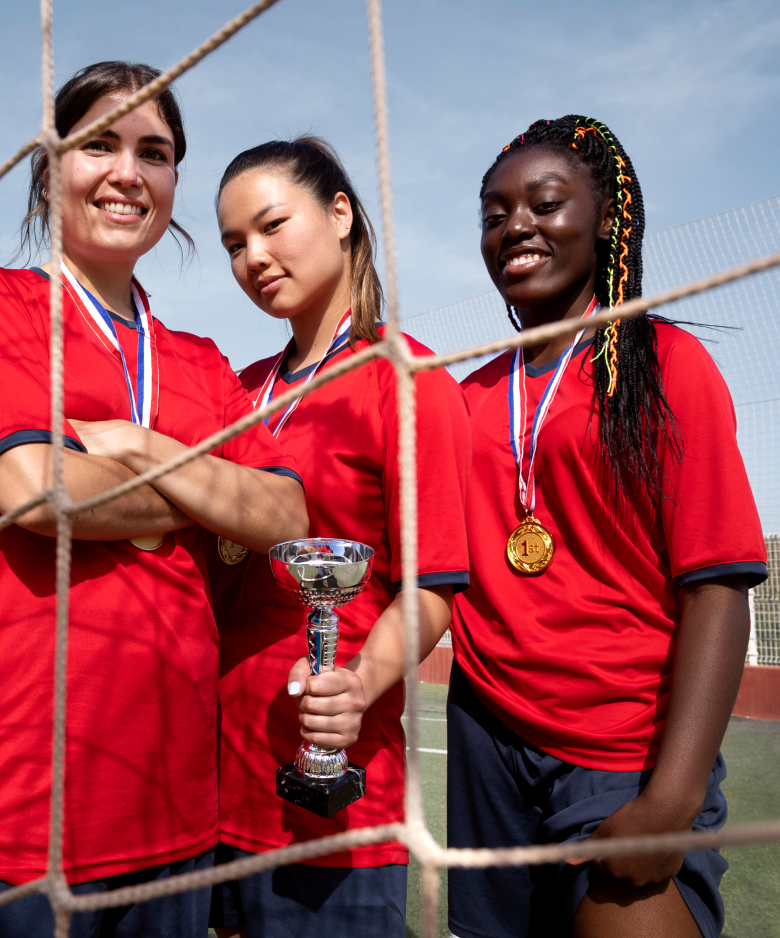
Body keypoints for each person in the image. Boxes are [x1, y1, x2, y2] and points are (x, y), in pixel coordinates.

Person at [0, 62, 308, 938]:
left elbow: (286, 518)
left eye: (153, 153)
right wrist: (208, 489)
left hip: (172, 821)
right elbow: (34, 491)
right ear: (50, 170)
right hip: (3, 812)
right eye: (99, 144)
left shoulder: (201, 361)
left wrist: (146, 451)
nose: (128, 172)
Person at [448, 115, 768, 938]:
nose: (515, 226)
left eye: (545, 203)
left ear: (606, 221)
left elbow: (718, 586)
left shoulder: (666, 366)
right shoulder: (465, 398)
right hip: (486, 740)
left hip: (622, 749)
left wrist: (673, 796)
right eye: (494, 214)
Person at [207, 137, 471, 937]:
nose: (253, 258)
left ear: (341, 214)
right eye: (233, 245)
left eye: (271, 226)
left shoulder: (407, 379)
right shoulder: (237, 392)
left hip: (331, 800)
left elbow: (431, 590)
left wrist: (355, 685)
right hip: (213, 789)